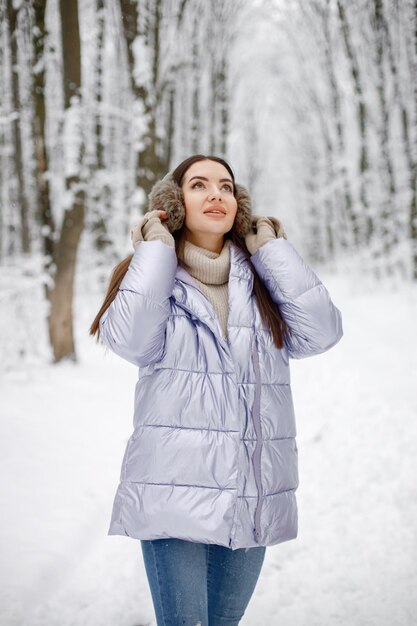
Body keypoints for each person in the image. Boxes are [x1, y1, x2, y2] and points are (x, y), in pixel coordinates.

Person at [90, 154, 343, 625]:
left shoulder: (263, 282)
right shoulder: (154, 277)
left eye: (226, 187)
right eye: (199, 185)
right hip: (174, 493)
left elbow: (323, 332)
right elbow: (129, 339)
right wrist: (157, 250)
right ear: (175, 203)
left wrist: (269, 247)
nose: (215, 195)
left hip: (251, 494)